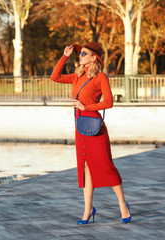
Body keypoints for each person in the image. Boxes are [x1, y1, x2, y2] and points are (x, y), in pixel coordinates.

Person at [50, 42, 131, 224]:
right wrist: (65, 55)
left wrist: (85, 106)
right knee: (86, 168)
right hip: (81, 127)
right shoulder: (77, 76)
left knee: (106, 166)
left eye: (83, 54)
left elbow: (109, 102)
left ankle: (123, 205)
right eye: (79, 54)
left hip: (95, 127)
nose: (80, 56)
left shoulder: (100, 77)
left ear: (94, 57)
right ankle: (88, 209)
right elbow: (54, 77)